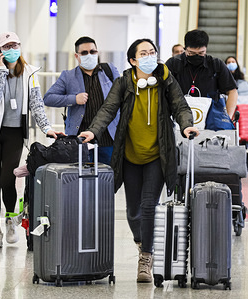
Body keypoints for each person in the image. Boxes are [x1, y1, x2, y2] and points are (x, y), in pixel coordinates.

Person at [78, 38, 198, 283]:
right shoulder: (124, 82)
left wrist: (187, 126)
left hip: (157, 155)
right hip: (129, 155)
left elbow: (181, 106)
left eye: (152, 52)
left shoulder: (164, 80)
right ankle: (141, 241)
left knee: (147, 205)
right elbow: (107, 109)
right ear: (133, 60)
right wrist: (93, 131)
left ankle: (146, 257)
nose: (149, 56)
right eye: (143, 53)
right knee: (132, 211)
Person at [0, 32, 63, 248]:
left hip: (15, 134)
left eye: (15, 44)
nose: (12, 49)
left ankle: (10, 220)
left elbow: (36, 103)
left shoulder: (29, 73)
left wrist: (47, 128)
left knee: (8, 179)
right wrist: (0, 71)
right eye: (7, 46)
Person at [43, 36, 120, 165]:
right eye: (84, 53)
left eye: (92, 51)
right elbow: (48, 98)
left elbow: (121, 96)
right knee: (81, 179)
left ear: (97, 52)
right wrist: (74, 99)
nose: (89, 55)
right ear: (77, 56)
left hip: (108, 137)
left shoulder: (109, 70)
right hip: (80, 139)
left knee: (108, 178)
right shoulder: (68, 76)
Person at [166, 29, 238, 121]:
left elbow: (232, 91)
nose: (196, 56)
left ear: (206, 49)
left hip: (210, 118)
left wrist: (227, 117)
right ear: (185, 49)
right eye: (191, 53)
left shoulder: (216, 64)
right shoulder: (173, 64)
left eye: (201, 53)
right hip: (178, 118)